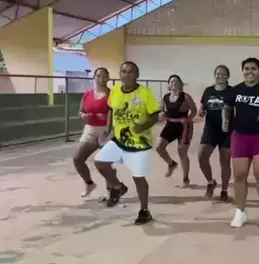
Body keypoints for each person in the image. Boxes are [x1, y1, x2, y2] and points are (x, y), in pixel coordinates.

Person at [94, 61, 160, 225]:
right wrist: (108, 130)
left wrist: (143, 126)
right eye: (123, 72)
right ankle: (118, 187)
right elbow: (111, 110)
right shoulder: (115, 91)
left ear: (137, 75)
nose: (127, 75)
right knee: (100, 162)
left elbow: (154, 116)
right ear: (120, 74)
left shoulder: (145, 93)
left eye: (131, 72)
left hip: (140, 143)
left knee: (138, 177)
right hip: (119, 139)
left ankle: (144, 211)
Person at [223, 58, 259, 228]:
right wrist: (225, 121)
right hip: (240, 136)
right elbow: (227, 107)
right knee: (239, 175)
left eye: (253, 69)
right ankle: (240, 211)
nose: (250, 72)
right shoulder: (235, 90)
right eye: (246, 68)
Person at [73, 67, 111, 198]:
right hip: (90, 130)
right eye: (98, 75)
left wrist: (106, 118)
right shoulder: (87, 94)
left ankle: (110, 189)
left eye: (104, 76)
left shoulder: (112, 95)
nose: (101, 78)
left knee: (105, 163)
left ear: (108, 78)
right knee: (77, 158)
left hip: (105, 131)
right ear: (94, 77)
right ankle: (89, 183)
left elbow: (117, 113)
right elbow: (81, 111)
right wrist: (83, 115)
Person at [198, 65, 232, 201]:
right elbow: (202, 108)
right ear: (214, 75)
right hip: (210, 129)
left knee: (224, 161)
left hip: (226, 131)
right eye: (218, 73)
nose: (220, 76)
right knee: (202, 157)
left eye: (223, 74)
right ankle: (211, 182)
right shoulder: (208, 91)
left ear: (228, 76)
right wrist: (201, 112)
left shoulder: (232, 91)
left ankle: (224, 190)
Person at [157, 74, 197, 187]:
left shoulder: (186, 96)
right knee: (159, 147)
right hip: (170, 125)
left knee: (182, 152)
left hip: (184, 127)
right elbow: (162, 111)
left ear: (180, 84)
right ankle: (171, 164)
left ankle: (186, 179)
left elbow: (194, 110)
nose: (174, 83)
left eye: (176, 81)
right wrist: (161, 115)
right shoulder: (165, 97)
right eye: (171, 82)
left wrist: (187, 120)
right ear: (169, 85)